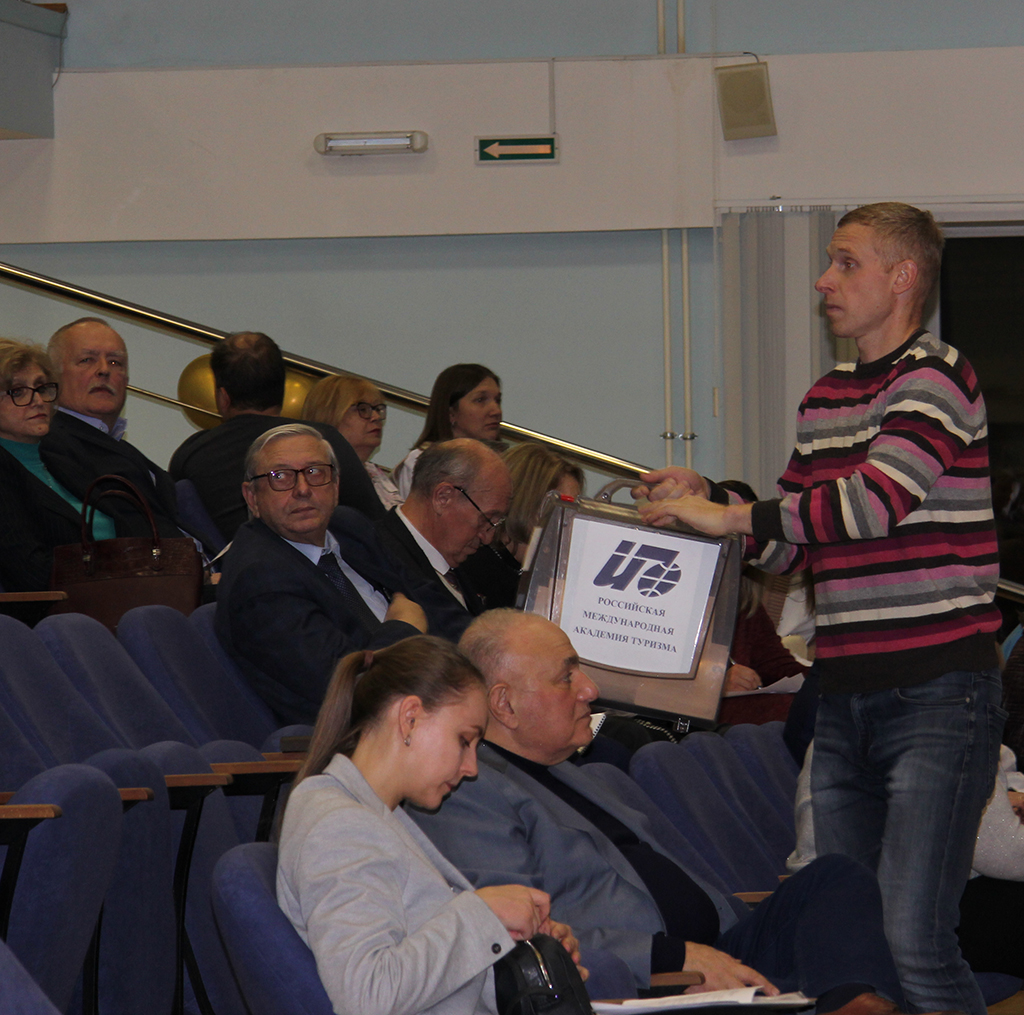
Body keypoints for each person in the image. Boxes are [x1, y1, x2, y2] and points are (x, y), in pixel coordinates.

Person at [635, 203, 1003, 1015]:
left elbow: (871, 503)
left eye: (845, 262)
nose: (822, 280)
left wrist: (729, 514)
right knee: (848, 933)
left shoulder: (937, 375)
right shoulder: (825, 397)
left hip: (937, 692)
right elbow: (796, 549)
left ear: (902, 276)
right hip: (841, 695)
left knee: (914, 937)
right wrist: (715, 503)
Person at [411, 610, 913, 1015]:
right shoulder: (470, 793)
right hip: (655, 978)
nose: (589, 689)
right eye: (567, 677)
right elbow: (522, 938)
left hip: (719, 945)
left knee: (835, 877)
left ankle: (853, 1002)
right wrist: (668, 957)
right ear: (504, 704)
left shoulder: (567, 771)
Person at [276, 635, 583, 1015]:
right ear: (410, 718)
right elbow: (367, 995)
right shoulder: (341, 826)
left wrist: (525, 950)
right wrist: (483, 914)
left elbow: (423, 960)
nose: (471, 768)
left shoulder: (369, 813)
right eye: (464, 740)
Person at [215, 424, 470, 724]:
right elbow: (349, 688)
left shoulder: (348, 527)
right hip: (371, 730)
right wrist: (404, 629)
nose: (302, 489)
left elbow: (430, 600)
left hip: (438, 693)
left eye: (315, 472)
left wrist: (487, 647)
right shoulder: (261, 580)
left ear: (335, 486)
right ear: (252, 497)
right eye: (280, 477)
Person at [169, 332, 382, 542]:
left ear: (223, 398)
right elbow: (377, 529)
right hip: (317, 560)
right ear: (283, 391)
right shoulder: (323, 441)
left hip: (229, 562)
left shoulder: (191, 453)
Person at [38, 317, 198, 542]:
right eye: (87, 360)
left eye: (115, 362)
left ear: (127, 381)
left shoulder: (122, 448)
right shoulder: (52, 443)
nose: (104, 370)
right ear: (53, 378)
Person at [0, 338, 118, 616]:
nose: (38, 401)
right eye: (18, 391)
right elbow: (31, 572)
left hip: (114, 597)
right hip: (57, 615)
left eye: (42, 388)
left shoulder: (63, 458)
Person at [376, 440, 512, 618]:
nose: (487, 538)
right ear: (443, 498)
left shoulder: (458, 566)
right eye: (485, 520)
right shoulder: (381, 561)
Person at [460, 443, 584, 610]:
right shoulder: (472, 565)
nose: (572, 520)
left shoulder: (548, 574)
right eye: (565, 507)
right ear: (529, 502)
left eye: (575, 510)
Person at [393, 364, 502, 499]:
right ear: (451, 413)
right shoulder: (420, 463)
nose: (496, 411)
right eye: (480, 400)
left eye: (497, 400)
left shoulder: (506, 464)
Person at [301, 373, 402, 510]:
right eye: (363, 409)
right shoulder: (319, 477)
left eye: (378, 409)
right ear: (329, 414)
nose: (376, 417)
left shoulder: (374, 472)